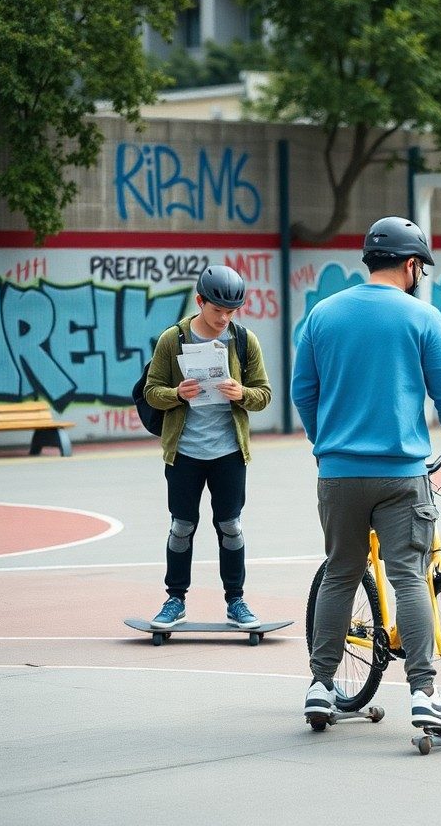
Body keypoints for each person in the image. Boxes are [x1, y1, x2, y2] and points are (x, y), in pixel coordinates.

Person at [291, 216, 441, 731]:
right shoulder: (423, 317)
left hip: (338, 473)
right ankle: (423, 693)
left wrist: (325, 442)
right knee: (409, 577)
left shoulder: (323, 314)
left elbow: (302, 391)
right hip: (401, 474)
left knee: (340, 572)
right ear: (412, 264)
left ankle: (320, 686)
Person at [143, 265, 272, 630]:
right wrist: (176, 393)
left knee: (231, 526)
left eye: (232, 311)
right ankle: (175, 600)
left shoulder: (244, 340)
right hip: (184, 453)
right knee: (181, 527)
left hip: (229, 453)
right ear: (200, 301)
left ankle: (236, 601)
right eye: (218, 310)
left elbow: (264, 394)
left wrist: (242, 393)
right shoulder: (173, 339)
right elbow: (151, 391)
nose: (225, 318)